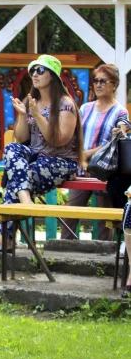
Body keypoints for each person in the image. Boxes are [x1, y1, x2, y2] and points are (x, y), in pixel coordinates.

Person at [0, 54, 84, 253]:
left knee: (16, 181)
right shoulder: (32, 101)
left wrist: (37, 115)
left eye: (40, 70)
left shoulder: (66, 104)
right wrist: (22, 114)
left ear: (53, 75)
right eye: (32, 71)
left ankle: (5, 240)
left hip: (62, 162)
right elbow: (21, 138)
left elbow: (58, 139)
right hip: (37, 158)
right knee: (12, 149)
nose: (34, 74)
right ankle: (25, 200)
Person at [61, 64, 128, 241]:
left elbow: (115, 142)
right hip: (81, 170)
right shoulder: (85, 108)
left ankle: (103, 259)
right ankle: (63, 250)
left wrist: (87, 153)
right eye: (96, 81)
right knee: (70, 213)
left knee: (104, 220)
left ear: (114, 85)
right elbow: (75, 135)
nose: (98, 85)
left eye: (103, 81)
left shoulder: (120, 111)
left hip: (104, 171)